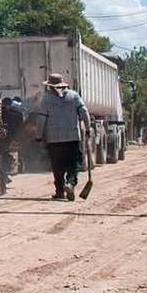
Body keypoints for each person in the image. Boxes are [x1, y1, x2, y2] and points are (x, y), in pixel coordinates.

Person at [38, 73, 91, 201]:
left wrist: (38, 136)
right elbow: (84, 112)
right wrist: (88, 128)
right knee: (74, 163)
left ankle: (60, 191)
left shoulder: (47, 99)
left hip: (54, 139)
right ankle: (71, 183)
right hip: (73, 137)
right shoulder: (74, 96)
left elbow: (41, 119)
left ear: (51, 86)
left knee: (58, 166)